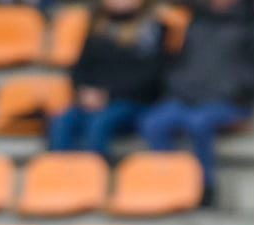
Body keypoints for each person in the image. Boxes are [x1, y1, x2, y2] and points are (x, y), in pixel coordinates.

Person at [137, 0, 254, 207]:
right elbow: (177, 64)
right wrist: (179, 85)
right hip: (188, 97)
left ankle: (205, 187)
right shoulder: (196, 21)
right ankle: (169, 181)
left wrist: (234, 87)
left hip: (231, 101)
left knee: (199, 122)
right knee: (153, 122)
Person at [48, 0, 168, 160]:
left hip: (133, 102)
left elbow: (150, 77)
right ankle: (60, 177)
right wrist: (84, 91)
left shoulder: (153, 31)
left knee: (99, 123)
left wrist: (108, 95)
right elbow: (80, 69)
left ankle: (94, 177)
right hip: (92, 100)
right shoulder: (97, 28)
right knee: (62, 121)